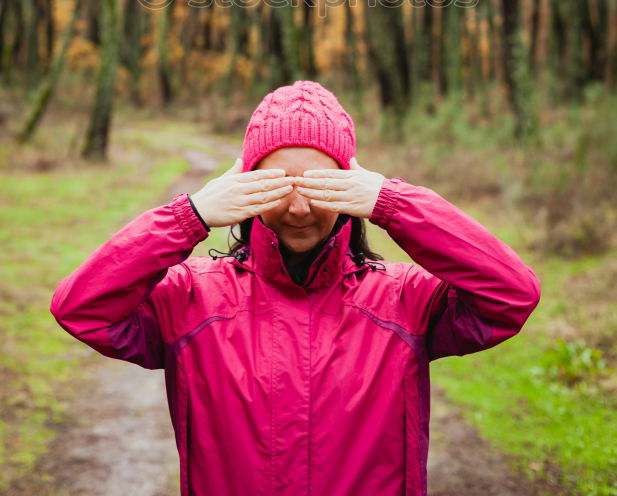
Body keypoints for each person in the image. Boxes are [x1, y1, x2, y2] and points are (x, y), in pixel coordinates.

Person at [51, 80, 540, 496]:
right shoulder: (190, 299)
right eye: (278, 185)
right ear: (244, 186)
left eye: (320, 186)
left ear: (352, 186)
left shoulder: (404, 300)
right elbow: (82, 310)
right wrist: (188, 217)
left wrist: (396, 204)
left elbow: (511, 296)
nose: (300, 209)